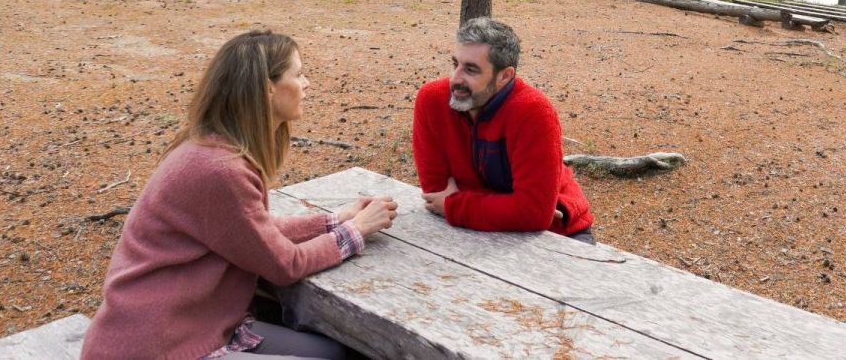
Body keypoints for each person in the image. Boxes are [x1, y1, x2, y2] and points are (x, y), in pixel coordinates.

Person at [81, 30, 398, 360]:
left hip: (194, 326)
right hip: (157, 346)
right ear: (267, 88)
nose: (307, 84)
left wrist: (336, 220)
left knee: (332, 351)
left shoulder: (215, 149)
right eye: (299, 74)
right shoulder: (220, 170)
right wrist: (356, 230)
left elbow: (253, 231)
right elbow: (284, 264)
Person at [413, 18, 595, 243]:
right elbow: (435, 191)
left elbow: (532, 214)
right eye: (455, 64)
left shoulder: (534, 112)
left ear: (505, 76)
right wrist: (516, 208)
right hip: (469, 232)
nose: (455, 79)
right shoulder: (432, 100)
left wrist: (455, 202)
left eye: (471, 70)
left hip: (556, 235)